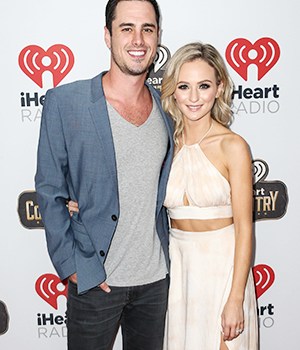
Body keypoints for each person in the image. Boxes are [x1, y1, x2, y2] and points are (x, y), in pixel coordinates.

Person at [35, 0, 174, 349]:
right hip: (96, 280)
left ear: (158, 37)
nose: (138, 39)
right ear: (107, 36)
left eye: (148, 29)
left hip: (156, 281)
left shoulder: (169, 108)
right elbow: (49, 189)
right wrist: (71, 266)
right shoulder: (66, 102)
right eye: (126, 28)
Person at [161, 42, 258, 349]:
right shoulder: (164, 146)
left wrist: (236, 297)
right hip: (179, 269)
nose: (193, 97)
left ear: (219, 87)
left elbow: (245, 229)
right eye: (184, 86)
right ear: (173, 91)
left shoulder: (233, 146)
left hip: (223, 269)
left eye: (203, 86)